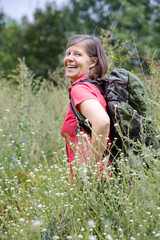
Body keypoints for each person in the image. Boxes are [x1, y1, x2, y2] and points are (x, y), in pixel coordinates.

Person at [61, 34, 111, 179]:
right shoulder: (97, 86)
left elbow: (102, 122)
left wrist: (91, 169)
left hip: (95, 181)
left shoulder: (80, 89)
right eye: (68, 53)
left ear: (93, 62)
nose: (70, 58)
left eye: (78, 54)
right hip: (109, 173)